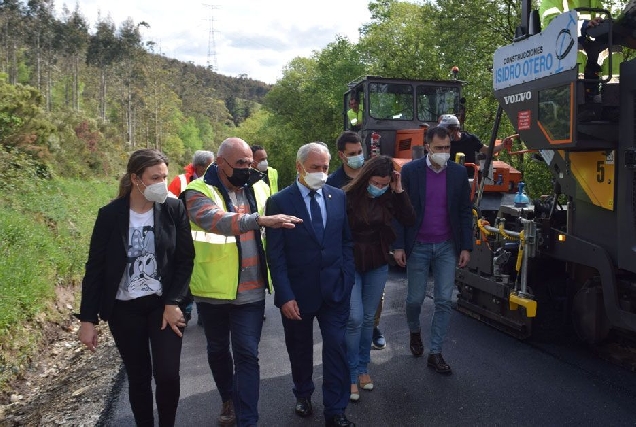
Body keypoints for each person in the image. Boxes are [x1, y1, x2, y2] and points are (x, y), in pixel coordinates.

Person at [183, 137, 301, 427]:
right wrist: (258, 220)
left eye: (249, 162)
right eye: (240, 163)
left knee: (248, 354)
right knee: (218, 350)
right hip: (213, 290)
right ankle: (228, 397)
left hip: (251, 291)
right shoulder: (198, 191)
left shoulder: (260, 188)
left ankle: (248, 419)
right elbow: (215, 220)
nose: (247, 168)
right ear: (220, 163)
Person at [78, 148, 195, 427]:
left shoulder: (173, 208)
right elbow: (95, 267)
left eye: (165, 176)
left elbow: (185, 259)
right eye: (155, 177)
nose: (162, 184)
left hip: (163, 306)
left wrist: (172, 302)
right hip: (123, 309)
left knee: (167, 374)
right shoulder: (110, 215)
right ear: (135, 178)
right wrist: (87, 320)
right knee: (139, 376)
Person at [265, 142, 356, 427]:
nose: (320, 172)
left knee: (336, 347)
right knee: (300, 347)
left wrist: (347, 277)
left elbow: (345, 242)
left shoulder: (337, 196)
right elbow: (275, 255)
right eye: (314, 167)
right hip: (298, 293)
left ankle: (336, 411)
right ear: (299, 167)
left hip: (335, 290)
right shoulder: (280, 202)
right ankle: (303, 393)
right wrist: (285, 295)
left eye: (324, 167)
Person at [393, 126, 473, 375]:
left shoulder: (459, 174)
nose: (444, 152)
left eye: (447, 148)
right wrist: (398, 245)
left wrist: (466, 247)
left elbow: (463, 211)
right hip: (418, 245)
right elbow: (399, 209)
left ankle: (435, 352)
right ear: (427, 147)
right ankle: (415, 330)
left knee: (443, 301)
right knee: (414, 299)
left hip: (448, 246)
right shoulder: (410, 171)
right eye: (439, 148)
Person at [342, 155, 415, 402]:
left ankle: (363, 369)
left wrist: (399, 190)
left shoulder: (390, 197)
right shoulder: (347, 196)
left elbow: (409, 219)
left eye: (385, 184)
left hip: (377, 262)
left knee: (367, 320)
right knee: (353, 318)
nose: (380, 187)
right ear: (366, 177)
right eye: (376, 182)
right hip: (351, 262)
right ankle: (350, 373)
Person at [327, 131, 387, 350]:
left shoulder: (373, 176)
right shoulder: (333, 183)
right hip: (349, 251)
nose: (358, 157)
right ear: (341, 155)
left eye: (360, 152)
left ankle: (372, 328)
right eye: (352, 153)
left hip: (374, 250)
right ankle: (352, 350)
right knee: (354, 311)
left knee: (374, 300)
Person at [438, 114, 511, 164]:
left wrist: (502, 145)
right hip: (449, 178)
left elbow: (488, 151)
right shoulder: (442, 142)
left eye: (446, 130)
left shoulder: (470, 139)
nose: (444, 133)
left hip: (469, 178)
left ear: (455, 129)